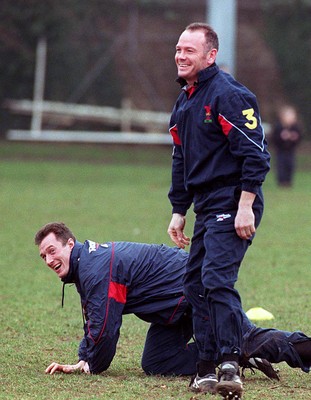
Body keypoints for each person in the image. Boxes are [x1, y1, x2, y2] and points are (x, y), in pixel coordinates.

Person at [34, 222, 311, 385]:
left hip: (197, 290)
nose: (48, 260)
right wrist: (84, 356)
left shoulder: (94, 269)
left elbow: (106, 327)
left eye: (52, 250)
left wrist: (91, 364)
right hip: (175, 308)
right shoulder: (88, 265)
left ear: (70, 244)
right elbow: (93, 318)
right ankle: (235, 355)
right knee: (156, 361)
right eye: (43, 256)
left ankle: (246, 349)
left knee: (248, 337)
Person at [167, 22, 271, 399]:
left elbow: (256, 155)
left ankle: (230, 362)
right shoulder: (185, 100)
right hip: (206, 205)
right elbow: (181, 159)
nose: (180, 55)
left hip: (234, 200)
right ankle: (206, 366)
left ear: (210, 55)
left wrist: (246, 207)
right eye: (178, 49)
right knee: (194, 284)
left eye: (189, 50)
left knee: (215, 280)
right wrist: (179, 210)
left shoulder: (228, 95)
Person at [272, 105, 301, 187]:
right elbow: (274, 138)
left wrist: (294, 137)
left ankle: (288, 181)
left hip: (291, 150)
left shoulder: (295, 127)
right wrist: (281, 137)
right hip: (280, 150)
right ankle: (281, 181)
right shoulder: (278, 126)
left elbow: (299, 137)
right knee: (281, 165)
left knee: (290, 165)